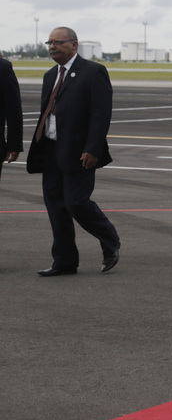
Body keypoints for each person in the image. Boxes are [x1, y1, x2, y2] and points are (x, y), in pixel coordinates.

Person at [26, 27, 120, 275]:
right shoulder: (49, 76)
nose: (52, 47)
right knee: (56, 207)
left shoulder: (93, 72)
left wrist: (93, 149)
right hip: (51, 151)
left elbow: (101, 115)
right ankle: (65, 261)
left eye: (58, 42)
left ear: (74, 45)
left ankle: (109, 237)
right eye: (50, 43)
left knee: (76, 203)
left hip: (80, 152)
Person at [1, 52, 23, 182]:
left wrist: (14, 145)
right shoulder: (3, 66)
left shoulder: (3, 67)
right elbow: (13, 109)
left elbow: (13, 109)